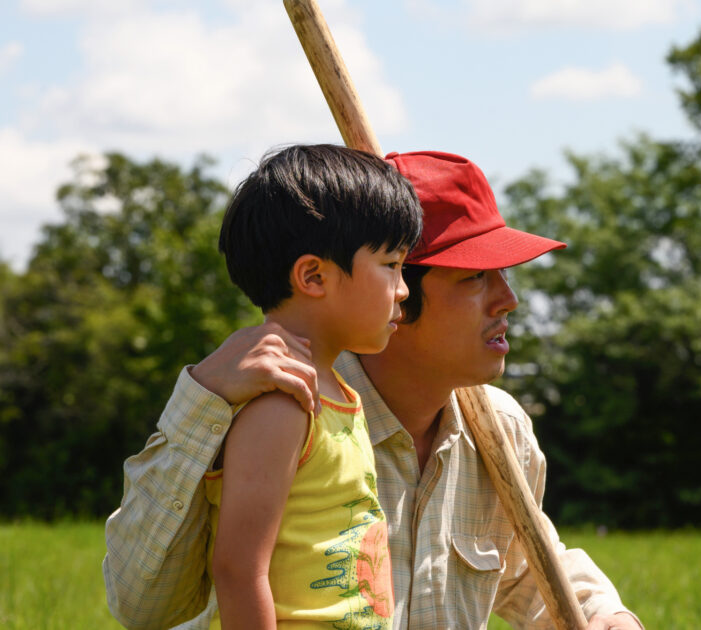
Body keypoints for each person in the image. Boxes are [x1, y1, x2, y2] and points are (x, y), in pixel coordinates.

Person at [103, 150, 644, 630]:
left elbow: (527, 564)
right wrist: (200, 403)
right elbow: (142, 606)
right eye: (474, 277)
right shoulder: (279, 404)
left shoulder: (499, 429)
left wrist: (604, 615)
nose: (509, 300)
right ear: (398, 292)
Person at [207, 144, 421, 628]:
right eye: (391, 265)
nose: (404, 288)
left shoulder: (342, 395)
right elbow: (239, 570)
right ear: (313, 276)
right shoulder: (282, 406)